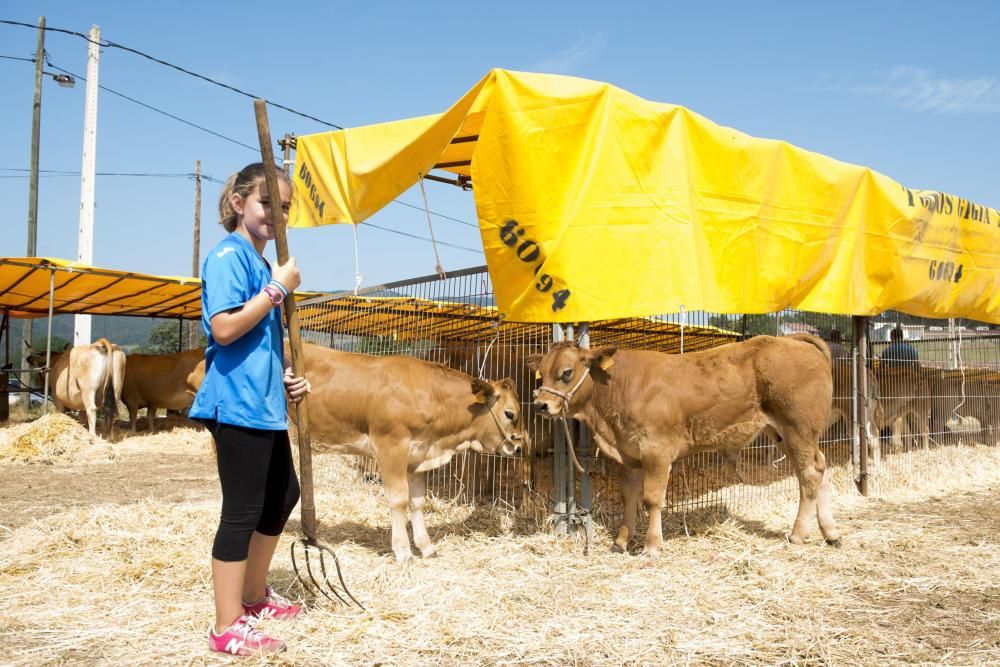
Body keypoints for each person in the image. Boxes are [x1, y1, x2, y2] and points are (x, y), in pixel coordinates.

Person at [189, 162, 311, 656]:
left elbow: (259, 340)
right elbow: (223, 329)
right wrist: (277, 290)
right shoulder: (228, 257)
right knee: (241, 512)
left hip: (262, 403)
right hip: (234, 405)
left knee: (284, 494)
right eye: (268, 205)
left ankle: (254, 595)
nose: (276, 216)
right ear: (239, 204)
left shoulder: (261, 265)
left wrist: (285, 377)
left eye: (285, 209)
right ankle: (226, 625)